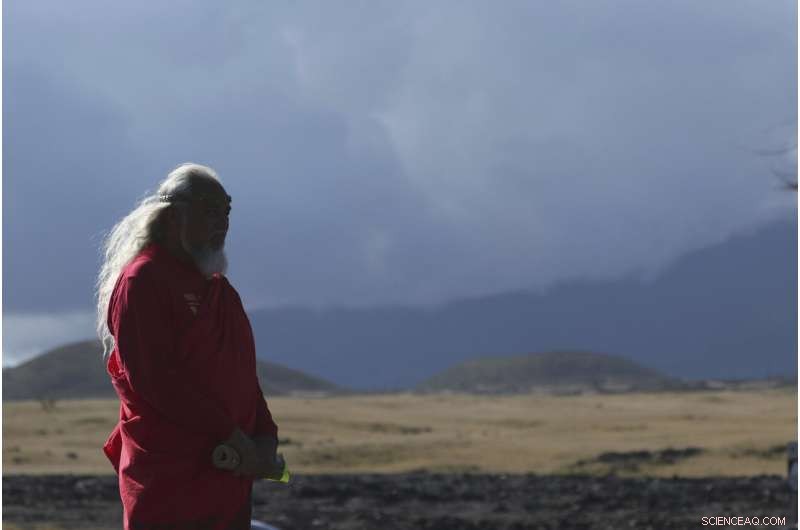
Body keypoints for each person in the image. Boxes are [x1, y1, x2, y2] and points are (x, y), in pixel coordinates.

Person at [96, 163, 280, 530]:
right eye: (209, 212)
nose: (222, 224)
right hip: (173, 480)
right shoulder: (143, 281)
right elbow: (155, 379)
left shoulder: (220, 291)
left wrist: (264, 437)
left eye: (226, 212)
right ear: (171, 218)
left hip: (227, 474)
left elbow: (243, 374)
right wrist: (231, 435)